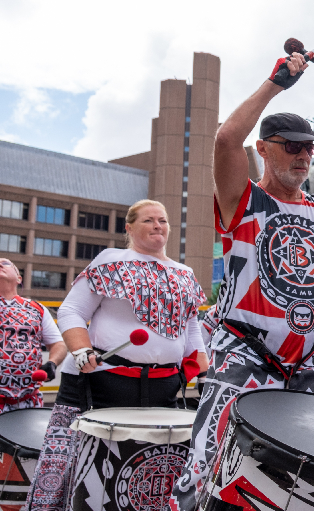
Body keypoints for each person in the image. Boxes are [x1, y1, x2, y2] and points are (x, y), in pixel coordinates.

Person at [172, 53, 314, 510]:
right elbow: (226, 138)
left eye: (308, 146)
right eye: (290, 145)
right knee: (211, 464)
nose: (302, 155)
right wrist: (275, 84)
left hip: (311, 363)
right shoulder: (244, 200)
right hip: (244, 354)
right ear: (264, 148)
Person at [28, 200, 208, 511]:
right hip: (100, 381)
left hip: (162, 385)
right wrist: (81, 349)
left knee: (151, 461)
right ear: (129, 227)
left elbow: (191, 331)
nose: (157, 226)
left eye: (163, 220)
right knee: (75, 459)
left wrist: (204, 374)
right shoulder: (109, 261)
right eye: (149, 220)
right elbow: (71, 310)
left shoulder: (185, 273)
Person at [0, 258, 66, 413]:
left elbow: (58, 344)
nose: (0, 264)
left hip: (29, 399)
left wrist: (52, 363)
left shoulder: (37, 308)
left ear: (19, 278)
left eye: (6, 263)